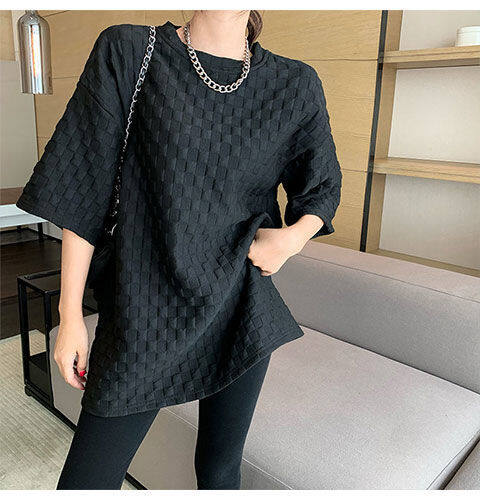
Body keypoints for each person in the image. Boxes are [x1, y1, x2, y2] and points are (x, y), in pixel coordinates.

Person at [16, 10, 342, 490]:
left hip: (240, 306)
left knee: (219, 473)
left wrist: (290, 240)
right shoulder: (128, 51)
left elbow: (322, 186)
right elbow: (82, 186)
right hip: (143, 311)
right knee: (87, 483)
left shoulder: (295, 84)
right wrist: (69, 317)